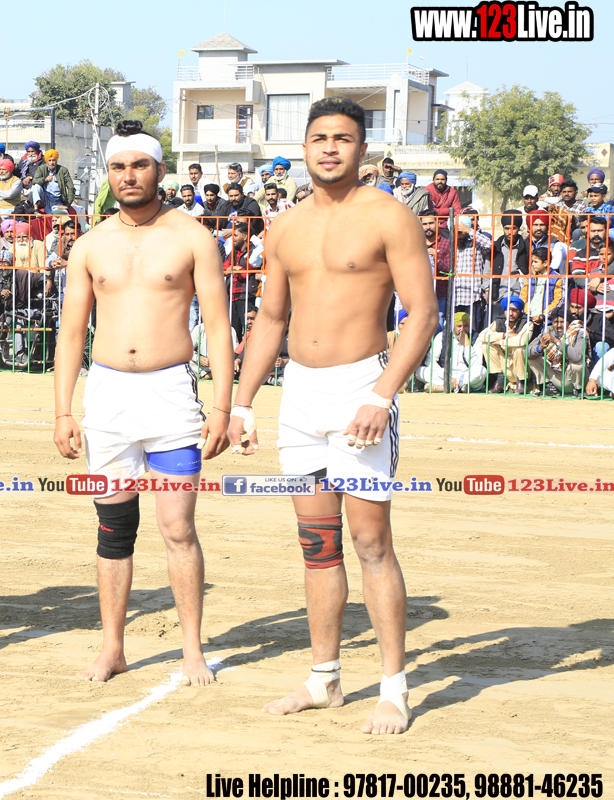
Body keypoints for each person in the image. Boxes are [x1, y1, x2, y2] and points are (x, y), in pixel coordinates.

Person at [227, 96, 437, 736]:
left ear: (362, 149)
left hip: (359, 388)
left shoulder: (389, 215)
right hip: (300, 395)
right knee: (317, 546)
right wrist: (242, 402)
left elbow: (422, 315)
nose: (329, 148)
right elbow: (270, 318)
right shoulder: (285, 226)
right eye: (319, 138)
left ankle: (393, 688)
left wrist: (381, 395)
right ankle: (324, 679)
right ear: (304, 147)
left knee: (371, 543)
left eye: (343, 139)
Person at [53, 119, 234, 686]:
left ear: (159, 170)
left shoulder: (192, 237)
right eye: (118, 167)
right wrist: (63, 410)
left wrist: (223, 407)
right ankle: (113, 647)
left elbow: (218, 326)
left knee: (177, 527)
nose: (128, 176)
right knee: (114, 528)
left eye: (139, 165)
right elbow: (70, 332)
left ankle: (192, 649)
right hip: (108, 395)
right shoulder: (90, 245)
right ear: (108, 174)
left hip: (171, 394)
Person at [415, 311, 486, 392]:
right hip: (445, 374)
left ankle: (444, 387)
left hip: (466, 375)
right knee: (419, 371)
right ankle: (459, 386)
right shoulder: (442, 336)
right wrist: (447, 377)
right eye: (459, 326)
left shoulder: (475, 338)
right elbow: (430, 361)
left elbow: (477, 365)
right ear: (453, 326)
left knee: (482, 371)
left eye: (466, 326)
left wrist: (467, 345)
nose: (462, 329)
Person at [476, 296, 532, 393]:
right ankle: (500, 379)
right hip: (504, 365)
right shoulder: (499, 321)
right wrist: (504, 335)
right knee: (486, 345)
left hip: (523, 369)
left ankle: (521, 382)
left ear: (520, 311)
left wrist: (501, 342)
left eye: (514, 310)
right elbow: (482, 336)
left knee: (519, 348)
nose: (510, 313)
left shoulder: (527, 322)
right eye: (507, 310)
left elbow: (522, 340)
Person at [32, 149, 74, 214]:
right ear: (47, 161)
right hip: (44, 199)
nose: (52, 163)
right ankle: (36, 210)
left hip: (57, 201)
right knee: (36, 186)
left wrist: (67, 205)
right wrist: (45, 180)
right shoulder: (41, 169)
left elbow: (71, 187)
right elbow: (34, 181)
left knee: (63, 215)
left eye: (53, 160)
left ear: (56, 160)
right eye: (50, 160)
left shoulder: (63, 170)